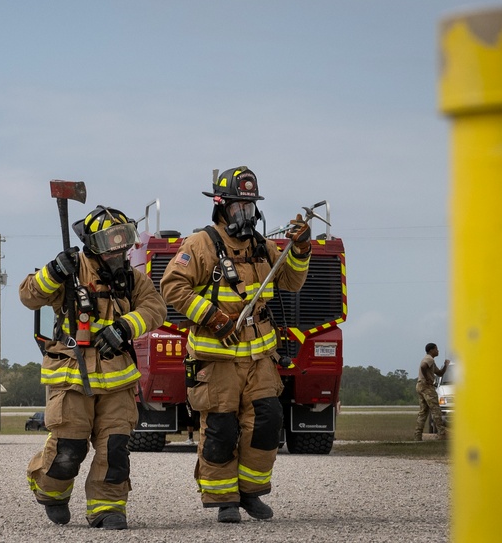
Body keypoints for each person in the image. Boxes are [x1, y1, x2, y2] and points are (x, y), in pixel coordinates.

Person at [160, 167, 311, 524]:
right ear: (221, 206)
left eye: (250, 205)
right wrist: (213, 317)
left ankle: (250, 493)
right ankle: (223, 498)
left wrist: (300, 248)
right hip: (217, 360)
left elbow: (291, 281)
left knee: (267, 421)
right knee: (221, 428)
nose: (245, 212)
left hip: (259, 359)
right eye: (238, 205)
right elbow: (172, 287)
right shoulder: (199, 244)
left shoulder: (263, 247)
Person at [19, 205, 167, 531]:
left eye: (122, 240)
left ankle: (107, 508)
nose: (117, 249)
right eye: (110, 241)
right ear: (93, 244)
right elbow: (29, 295)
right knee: (68, 452)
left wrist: (125, 327)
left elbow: (156, 307)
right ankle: (49, 490)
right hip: (71, 376)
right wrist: (54, 271)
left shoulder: (132, 279)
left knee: (115, 448)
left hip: (117, 379)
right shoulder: (70, 271)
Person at [415, 342, 450, 441]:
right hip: (426, 387)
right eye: (436, 349)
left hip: (420, 386)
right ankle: (442, 434)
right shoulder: (428, 359)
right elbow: (423, 366)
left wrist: (445, 365)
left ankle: (417, 435)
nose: (437, 351)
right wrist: (428, 379)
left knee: (423, 411)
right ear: (431, 350)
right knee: (436, 410)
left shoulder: (431, 361)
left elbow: (439, 373)